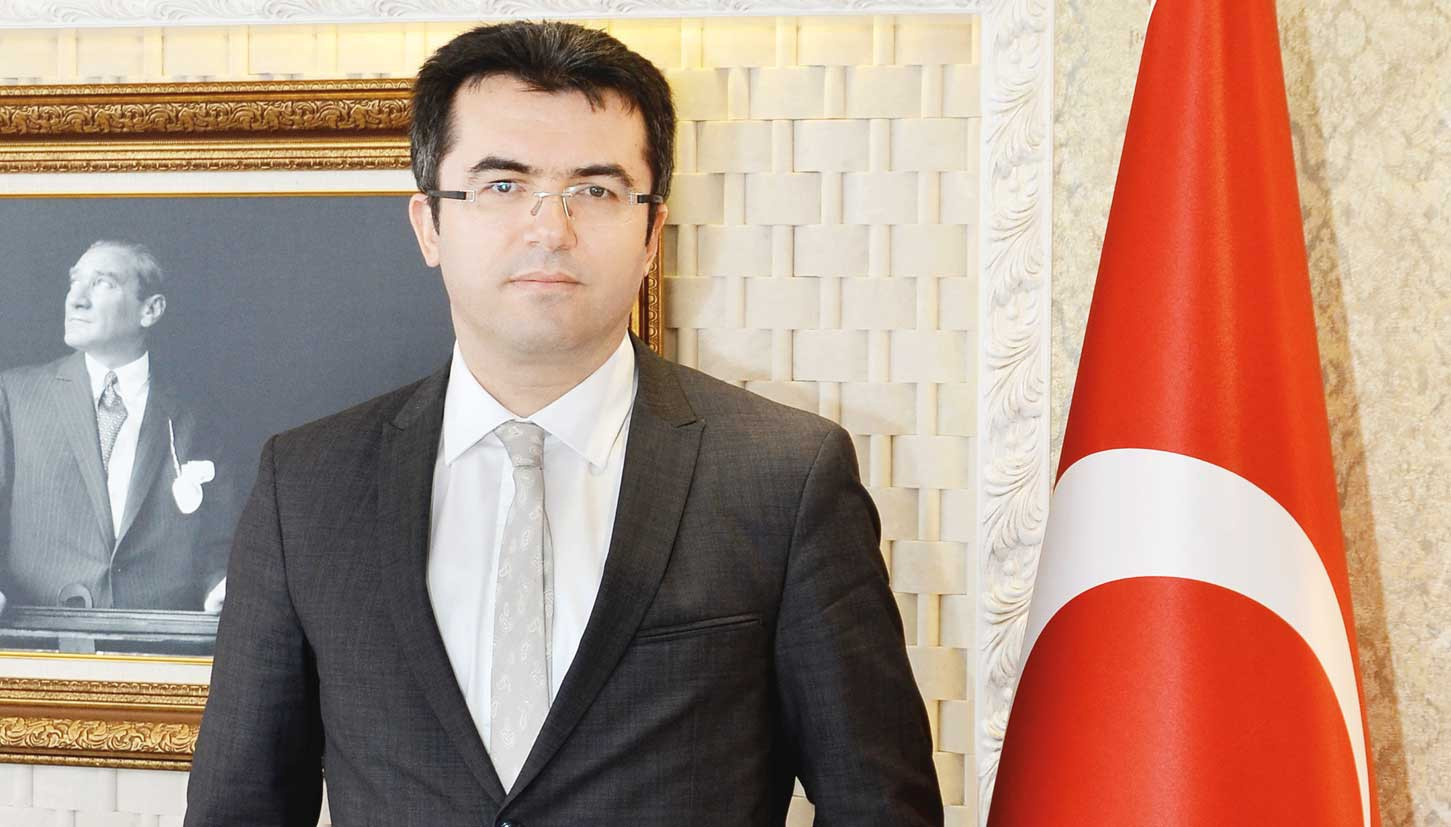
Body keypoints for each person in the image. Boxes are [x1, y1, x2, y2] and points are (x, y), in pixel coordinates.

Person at [186, 20, 941, 826]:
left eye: (596, 191)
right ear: (429, 224)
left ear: (651, 232)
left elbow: (879, 806)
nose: (550, 229)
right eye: (501, 186)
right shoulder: (307, 485)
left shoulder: (784, 475)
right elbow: (240, 807)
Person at [0, 240, 231, 613]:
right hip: (38, 635)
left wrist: (217, 585)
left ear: (150, 310)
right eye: (74, 282)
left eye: (102, 283)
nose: (76, 299)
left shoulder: (197, 413)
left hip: (157, 638)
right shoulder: (13, 395)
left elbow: (217, 542)